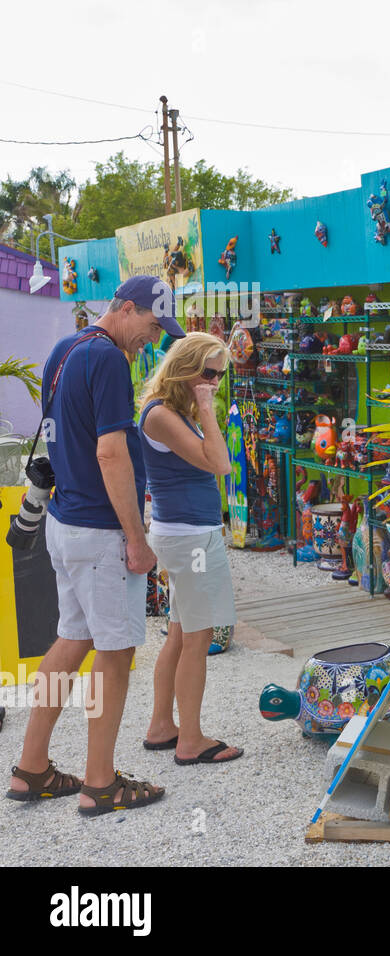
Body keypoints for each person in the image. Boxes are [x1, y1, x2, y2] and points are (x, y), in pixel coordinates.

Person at [6, 276, 185, 815]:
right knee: (115, 651)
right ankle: (101, 783)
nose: (150, 341)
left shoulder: (67, 346)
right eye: (151, 326)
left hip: (65, 523)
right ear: (126, 309)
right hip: (101, 531)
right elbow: (111, 453)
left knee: (70, 641)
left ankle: (31, 768)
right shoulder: (109, 360)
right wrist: (137, 538)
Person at [138, 332, 243, 764]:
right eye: (209, 372)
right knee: (197, 638)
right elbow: (220, 463)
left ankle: (163, 726)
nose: (215, 381)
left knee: (180, 634)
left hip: (183, 533)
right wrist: (206, 407)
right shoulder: (163, 413)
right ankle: (191, 740)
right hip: (189, 537)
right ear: (186, 366)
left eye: (220, 374)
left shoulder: (168, 411)